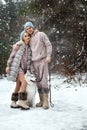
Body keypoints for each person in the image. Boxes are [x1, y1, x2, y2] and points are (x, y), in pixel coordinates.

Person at [13, 21, 52, 109]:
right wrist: (15, 45)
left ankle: (46, 101)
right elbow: (22, 41)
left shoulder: (41, 34)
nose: (29, 29)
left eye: (30, 27)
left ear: (33, 27)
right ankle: (41, 101)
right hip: (33, 63)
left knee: (44, 80)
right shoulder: (29, 38)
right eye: (27, 29)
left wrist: (48, 56)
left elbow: (48, 45)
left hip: (42, 60)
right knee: (37, 82)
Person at [6, 30, 31, 110]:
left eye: (28, 36)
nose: (27, 37)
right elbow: (12, 56)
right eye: (25, 36)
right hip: (17, 67)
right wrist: (8, 65)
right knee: (24, 81)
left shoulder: (29, 48)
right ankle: (21, 101)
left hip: (23, 69)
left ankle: (13, 102)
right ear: (22, 38)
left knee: (18, 85)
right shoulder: (19, 45)